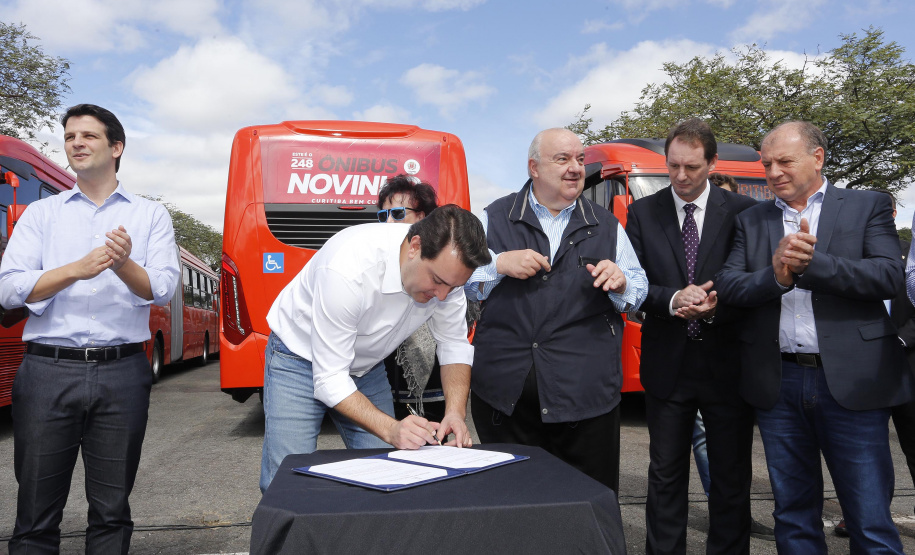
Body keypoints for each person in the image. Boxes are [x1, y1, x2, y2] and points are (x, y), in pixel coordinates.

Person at [716, 121, 913, 553]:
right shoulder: (752, 219)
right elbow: (728, 286)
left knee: (869, 519)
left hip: (852, 383)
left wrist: (814, 265)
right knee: (793, 515)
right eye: (767, 164)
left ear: (818, 157)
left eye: (784, 161)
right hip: (779, 384)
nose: (773, 173)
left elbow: (887, 275)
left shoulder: (866, 205)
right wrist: (777, 276)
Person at [0, 104, 180, 554]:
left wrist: (122, 264)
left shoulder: (151, 215)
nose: (76, 143)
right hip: (47, 371)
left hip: (122, 373)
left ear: (116, 147)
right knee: (35, 511)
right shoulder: (41, 215)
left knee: (111, 511)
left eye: (88, 136)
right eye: (69, 137)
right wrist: (75, 270)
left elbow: (162, 288)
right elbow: (8, 290)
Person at [260, 204, 491, 491]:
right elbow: (330, 379)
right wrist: (392, 429)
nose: (442, 296)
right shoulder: (348, 268)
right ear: (415, 247)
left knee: (388, 473)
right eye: (437, 281)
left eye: (453, 287)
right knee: (286, 479)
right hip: (298, 359)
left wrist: (455, 412)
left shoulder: (448, 279)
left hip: (366, 367)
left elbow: (454, 345)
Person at [465, 127, 648, 491]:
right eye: (562, 159)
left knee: (587, 501)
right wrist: (498, 264)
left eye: (579, 159)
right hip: (506, 403)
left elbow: (638, 291)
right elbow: (459, 281)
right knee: (513, 502)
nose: (575, 168)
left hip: (588, 402)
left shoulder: (606, 224)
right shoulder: (493, 217)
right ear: (534, 167)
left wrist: (621, 282)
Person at [625, 118, 758, 554]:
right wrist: (671, 298)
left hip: (727, 365)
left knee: (730, 477)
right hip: (668, 365)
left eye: (692, 167)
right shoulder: (644, 213)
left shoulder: (742, 211)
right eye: (673, 165)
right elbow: (633, 284)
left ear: (712, 163)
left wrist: (718, 306)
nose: (681, 176)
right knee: (665, 476)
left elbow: (752, 283)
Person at [376, 175, 447, 421]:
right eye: (383, 215)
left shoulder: (442, 262)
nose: (389, 221)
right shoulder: (374, 261)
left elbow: (452, 339)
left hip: (430, 385)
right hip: (382, 382)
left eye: (397, 214)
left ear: (421, 217)